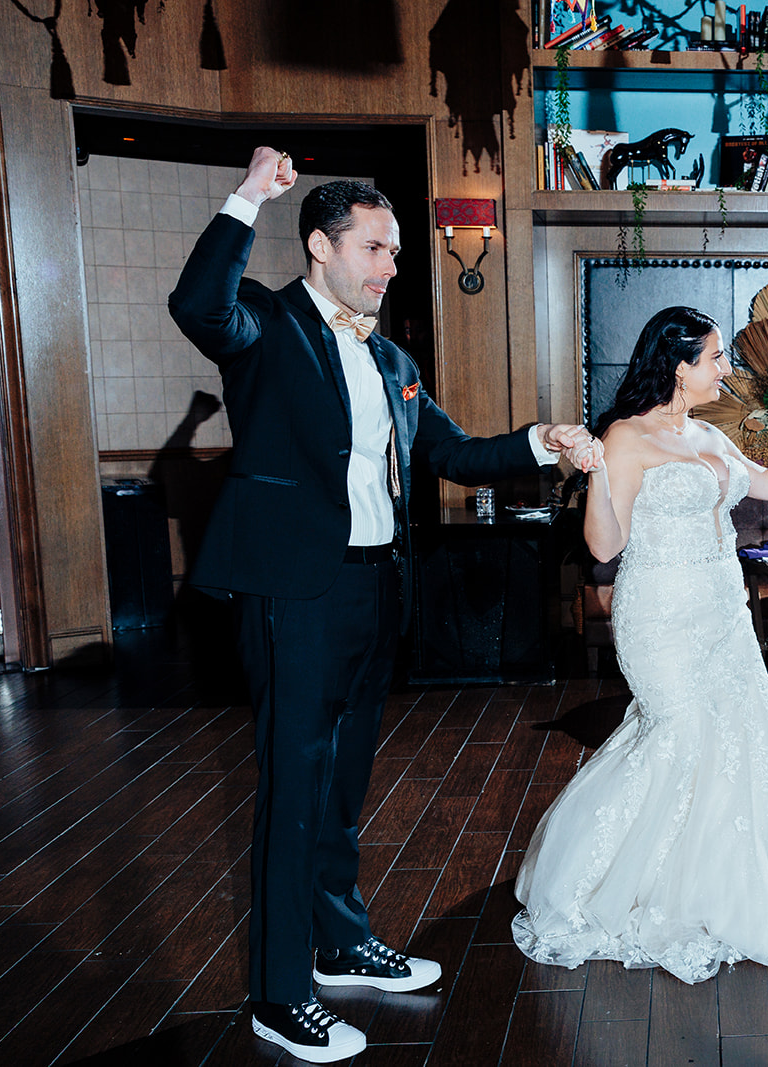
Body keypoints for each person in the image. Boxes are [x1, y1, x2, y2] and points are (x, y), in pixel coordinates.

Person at [168, 147, 596, 1064]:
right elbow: (197, 305)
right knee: (294, 790)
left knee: (343, 787)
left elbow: (455, 453)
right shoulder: (267, 328)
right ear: (321, 247)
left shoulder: (393, 357)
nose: (392, 264)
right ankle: (280, 995)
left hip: (372, 590)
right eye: (375, 247)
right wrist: (246, 197)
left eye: (395, 250)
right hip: (295, 593)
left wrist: (541, 441)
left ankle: (338, 940)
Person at [512, 306, 768, 984]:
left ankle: (728, 893)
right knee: (680, 733)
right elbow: (605, 545)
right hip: (660, 616)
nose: (728, 368)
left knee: (748, 735)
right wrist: (598, 471)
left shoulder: (710, 437)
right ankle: (625, 889)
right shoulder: (625, 437)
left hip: (723, 613)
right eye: (717, 356)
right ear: (679, 364)